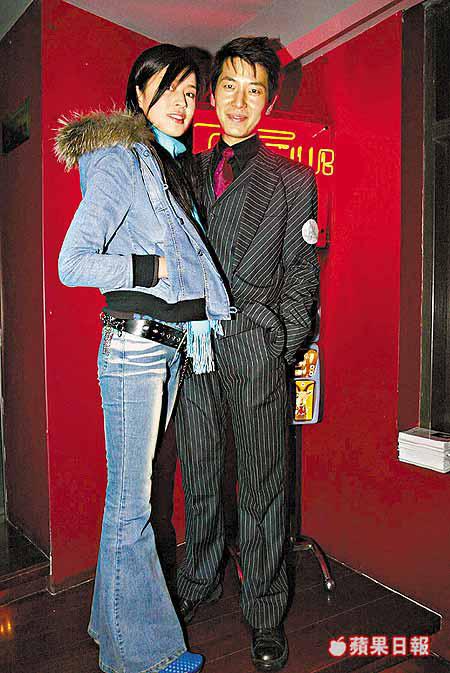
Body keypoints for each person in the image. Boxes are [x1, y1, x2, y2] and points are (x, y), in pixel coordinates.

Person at [55, 44, 231, 673]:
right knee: (133, 505)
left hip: (168, 348)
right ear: (139, 93)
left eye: (191, 93)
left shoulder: (166, 166)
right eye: (172, 89)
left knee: (129, 500)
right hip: (135, 348)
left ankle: (110, 628)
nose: (184, 103)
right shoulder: (119, 159)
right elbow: (73, 263)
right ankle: (145, 658)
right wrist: (149, 269)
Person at [174, 37, 320, 672]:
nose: (239, 102)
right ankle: (199, 579)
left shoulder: (292, 180)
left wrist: (279, 344)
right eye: (228, 87)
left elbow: (302, 276)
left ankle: (264, 610)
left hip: (257, 347)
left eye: (253, 90)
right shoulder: (185, 173)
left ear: (269, 101)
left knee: (264, 482)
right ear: (212, 95)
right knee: (199, 470)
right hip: (194, 348)